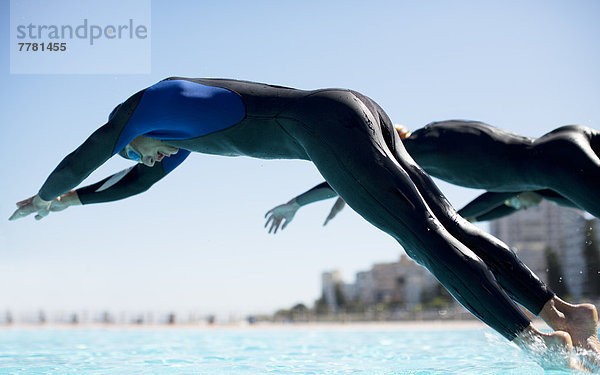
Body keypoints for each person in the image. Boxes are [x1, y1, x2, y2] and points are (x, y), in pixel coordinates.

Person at [8, 78, 596, 369]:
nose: (149, 159)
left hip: (323, 127)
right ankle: (565, 314)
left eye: (137, 151)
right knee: (446, 223)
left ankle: (540, 346)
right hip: (348, 108)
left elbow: (82, 157)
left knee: (423, 240)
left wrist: (44, 195)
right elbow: (133, 184)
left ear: (126, 135)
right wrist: (73, 204)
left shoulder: (136, 112)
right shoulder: (178, 135)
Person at [265, 121, 599, 231]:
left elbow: (358, 171)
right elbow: (493, 200)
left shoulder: (418, 147)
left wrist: (296, 202)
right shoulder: (434, 136)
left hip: (557, 164)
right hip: (559, 155)